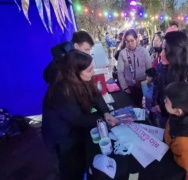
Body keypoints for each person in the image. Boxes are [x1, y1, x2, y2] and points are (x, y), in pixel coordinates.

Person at [42, 50, 118, 180]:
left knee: (82, 158)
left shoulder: (80, 78)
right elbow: (77, 119)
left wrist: (105, 113)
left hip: (74, 129)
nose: (93, 72)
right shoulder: (62, 90)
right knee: (71, 167)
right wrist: (101, 120)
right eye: (89, 70)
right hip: (62, 136)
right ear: (76, 72)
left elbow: (95, 94)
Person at [117, 29, 152, 107]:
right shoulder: (122, 53)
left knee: (140, 105)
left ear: (136, 39)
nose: (130, 43)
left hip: (142, 84)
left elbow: (149, 69)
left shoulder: (144, 51)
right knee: (130, 105)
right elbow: (120, 72)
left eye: (132, 40)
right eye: (127, 41)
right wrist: (125, 88)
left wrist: (146, 82)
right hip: (129, 86)